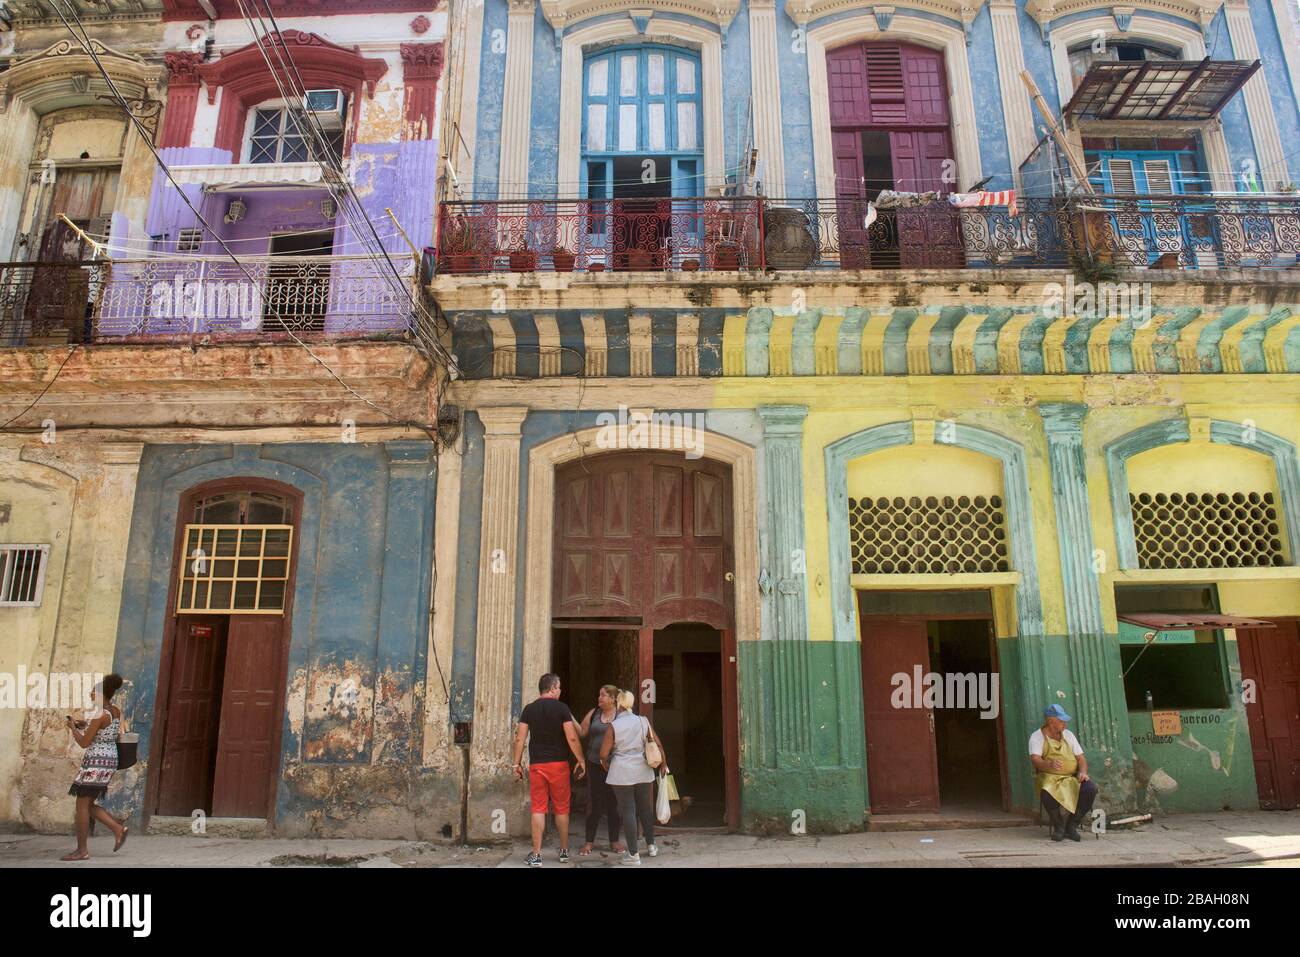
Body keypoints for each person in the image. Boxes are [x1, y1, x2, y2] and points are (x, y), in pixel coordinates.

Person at [513, 673, 586, 867]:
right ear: (552, 688)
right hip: (559, 765)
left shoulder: (529, 709)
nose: (560, 690)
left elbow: (520, 738)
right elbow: (572, 738)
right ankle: (563, 852)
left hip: (538, 765)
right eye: (559, 687)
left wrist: (516, 763)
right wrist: (581, 760)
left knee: (538, 808)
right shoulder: (562, 709)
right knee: (561, 809)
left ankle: (536, 855)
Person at [62, 673, 129, 861]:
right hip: (109, 760)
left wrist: (73, 728)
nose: (91, 694)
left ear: (101, 694)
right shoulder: (115, 711)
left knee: (81, 805)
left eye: (93, 692)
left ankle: (81, 851)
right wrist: (84, 724)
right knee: (88, 804)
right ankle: (118, 829)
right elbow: (106, 732)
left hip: (96, 762)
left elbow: (84, 742)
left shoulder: (99, 714)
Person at [600, 690, 668, 865]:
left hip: (622, 772)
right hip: (643, 771)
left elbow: (603, 753)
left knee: (629, 810)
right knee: (645, 808)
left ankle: (633, 854)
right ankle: (651, 846)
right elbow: (658, 743)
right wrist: (663, 764)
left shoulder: (614, 726)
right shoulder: (642, 721)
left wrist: (605, 763)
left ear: (619, 705)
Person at [1029, 704, 1098, 842]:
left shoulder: (1069, 735)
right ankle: (1058, 825)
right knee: (1046, 791)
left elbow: (1081, 758)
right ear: (1050, 721)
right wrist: (1049, 764)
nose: (1065, 724)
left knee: (1091, 788)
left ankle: (1072, 825)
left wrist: (1083, 772)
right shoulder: (1037, 737)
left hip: (1071, 777)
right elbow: (1035, 760)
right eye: (1061, 721)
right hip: (1049, 776)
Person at [577, 684, 623, 856]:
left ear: (612, 698)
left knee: (614, 804)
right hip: (594, 764)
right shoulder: (595, 712)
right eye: (599, 695)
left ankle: (615, 841)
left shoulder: (621, 714)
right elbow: (582, 732)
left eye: (603, 695)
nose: (599, 698)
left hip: (614, 765)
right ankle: (589, 842)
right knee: (594, 803)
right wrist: (568, 717)